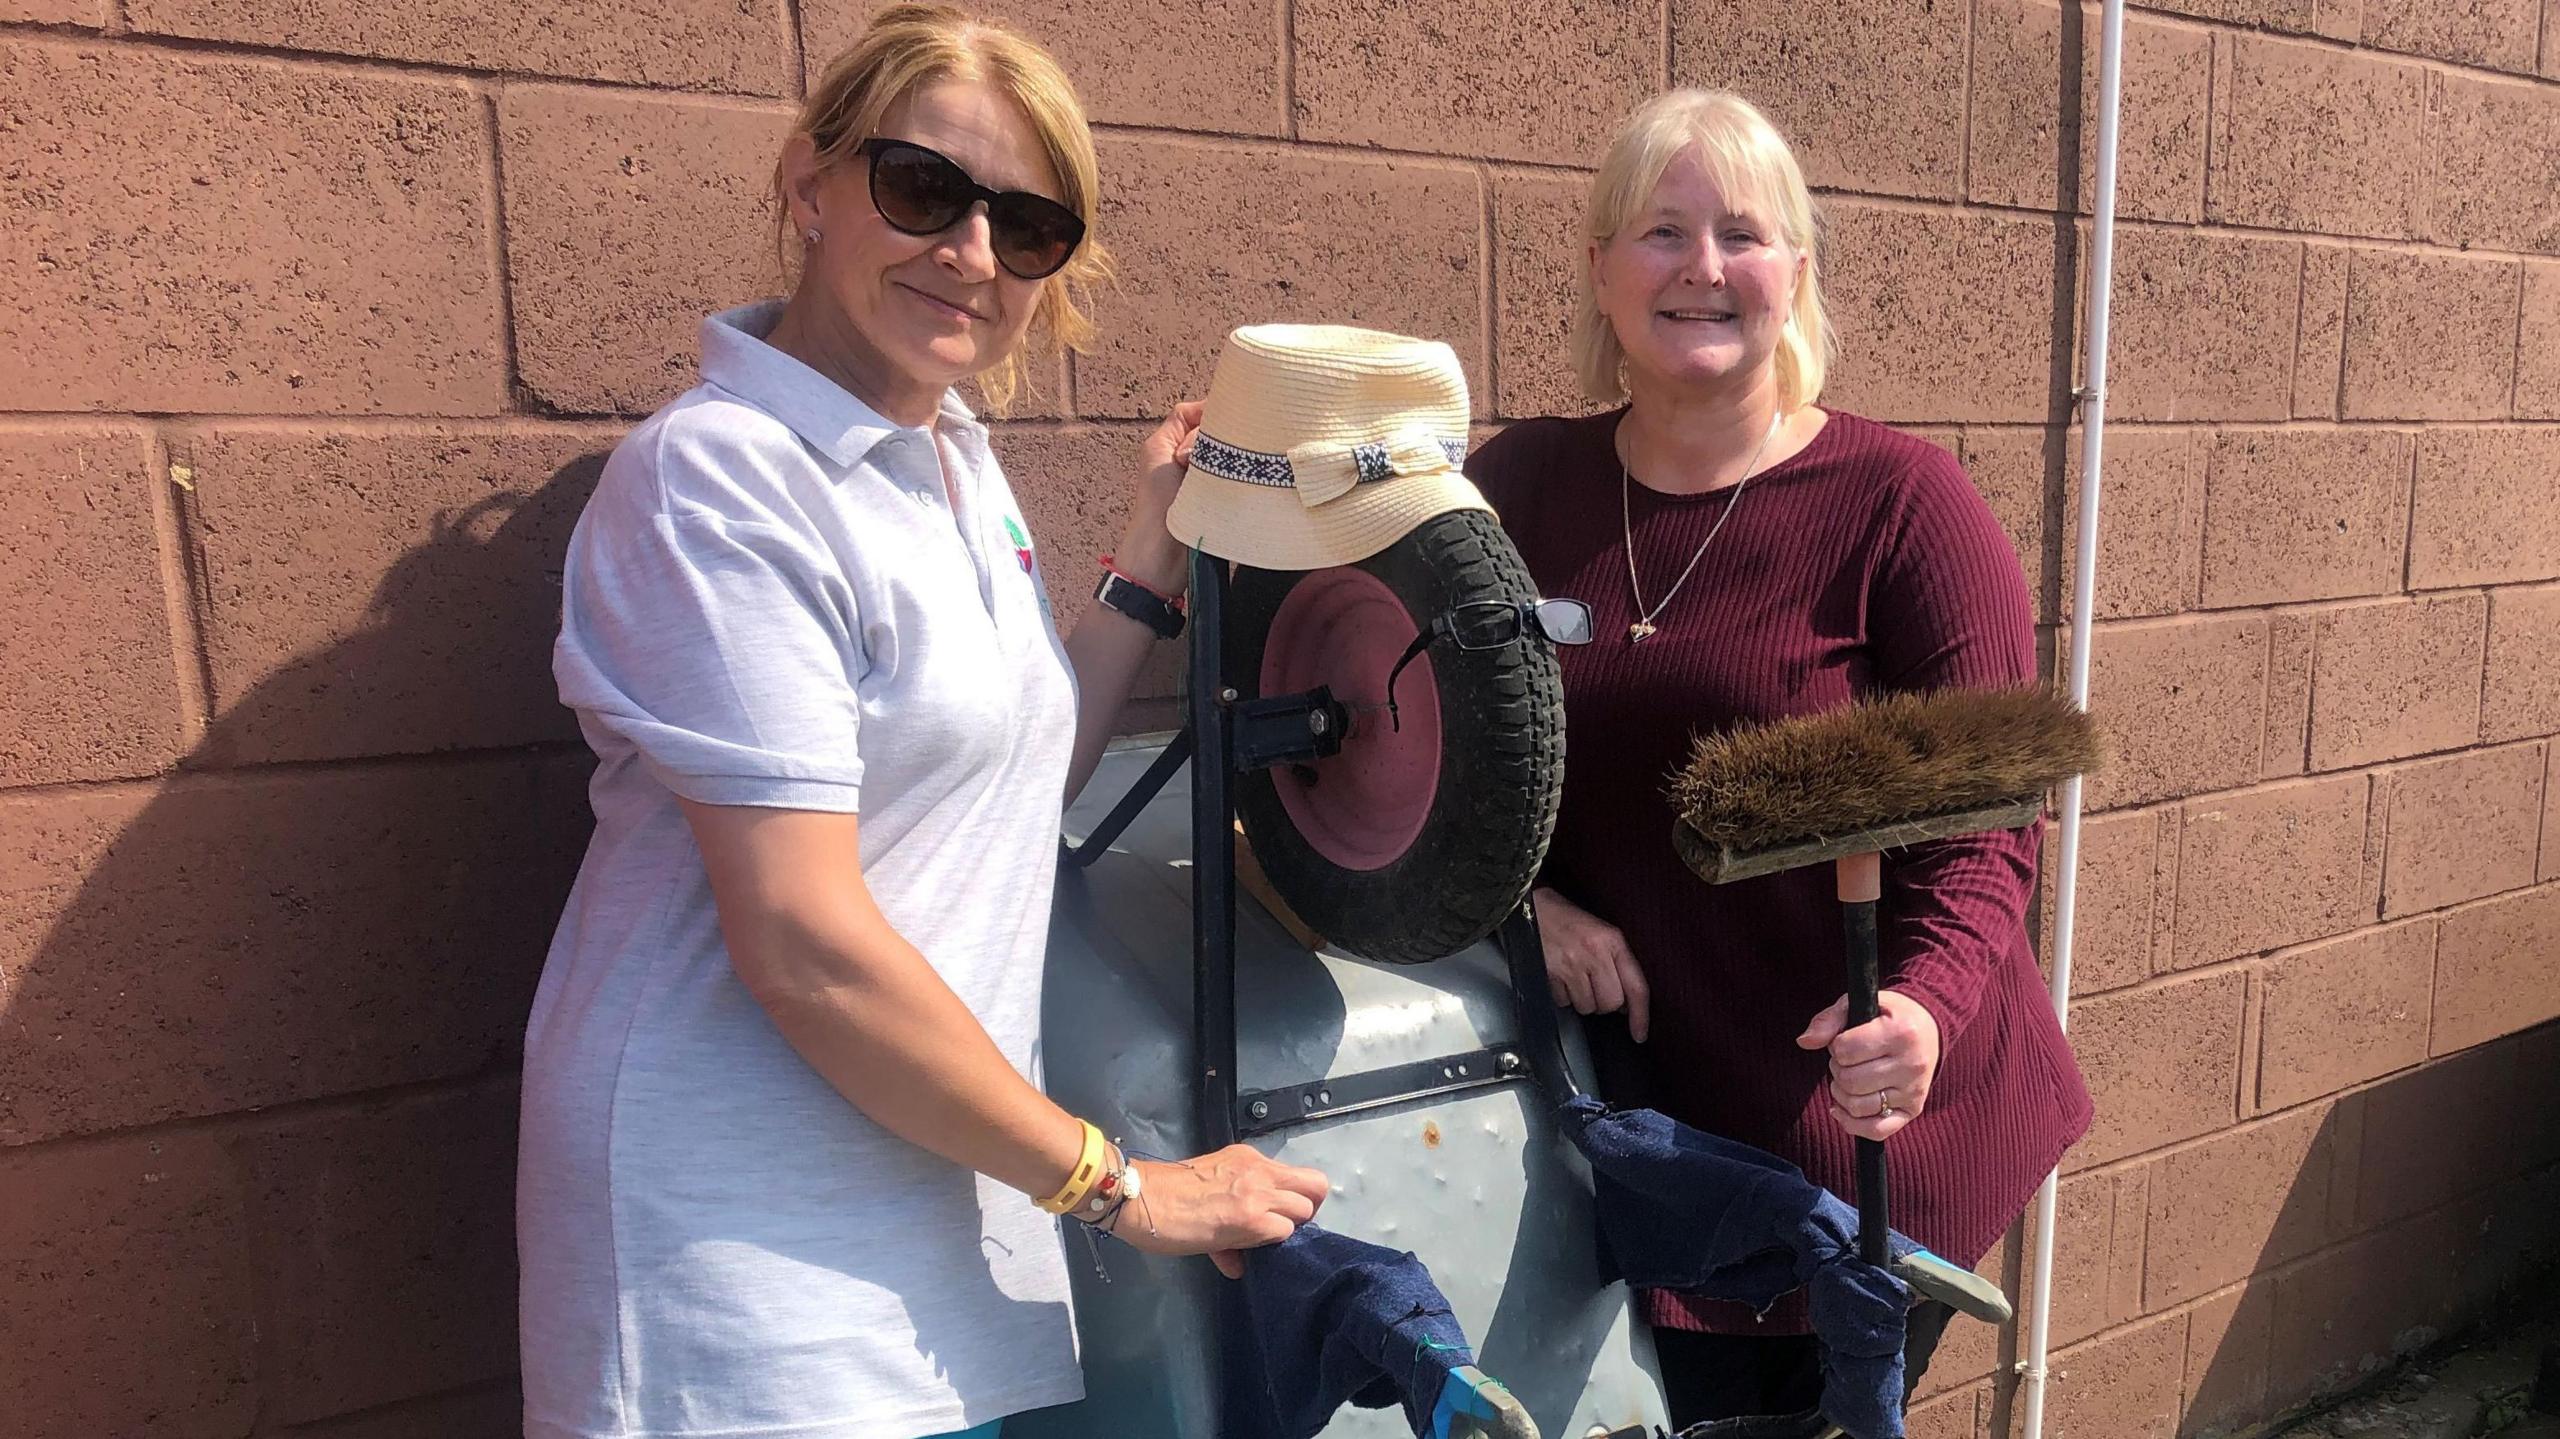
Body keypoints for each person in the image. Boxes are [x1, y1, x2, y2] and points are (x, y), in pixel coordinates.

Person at [514, 8, 1328, 1439]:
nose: (969, 252)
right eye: (920, 188)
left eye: (1025, 223)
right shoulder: (720, 481)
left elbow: (1007, 795)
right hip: (747, 1273)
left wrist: (1146, 556)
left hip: (938, 1230)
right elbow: (805, 946)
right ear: (809, 181)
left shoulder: (952, 457)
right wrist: (1120, 1186)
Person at [1468, 88, 2093, 1428]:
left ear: (1794, 273)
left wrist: (1920, 1007)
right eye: (1661, 232)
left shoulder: (1902, 505)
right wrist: (1528, 903)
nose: (1703, 268)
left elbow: (1990, 821)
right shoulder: (1518, 490)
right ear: (1598, 269)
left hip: (1864, 1120)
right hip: (1657, 1118)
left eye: (1742, 234)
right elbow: (1413, 761)